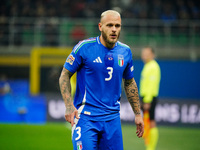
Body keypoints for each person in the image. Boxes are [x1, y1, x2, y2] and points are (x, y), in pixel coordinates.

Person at [59, 10, 144, 150]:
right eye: (109, 25)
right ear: (100, 26)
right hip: (86, 118)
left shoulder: (125, 51)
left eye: (117, 26)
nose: (114, 30)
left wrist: (137, 114)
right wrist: (69, 105)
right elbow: (64, 75)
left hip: (112, 119)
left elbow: (129, 83)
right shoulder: (84, 47)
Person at [140, 47, 161, 150]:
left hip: (149, 98)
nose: (144, 55)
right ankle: (148, 145)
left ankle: (151, 147)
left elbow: (151, 85)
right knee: (148, 121)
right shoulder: (148, 66)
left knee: (151, 121)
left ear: (152, 55)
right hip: (146, 97)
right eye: (143, 53)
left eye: (147, 53)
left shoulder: (153, 66)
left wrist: (147, 100)